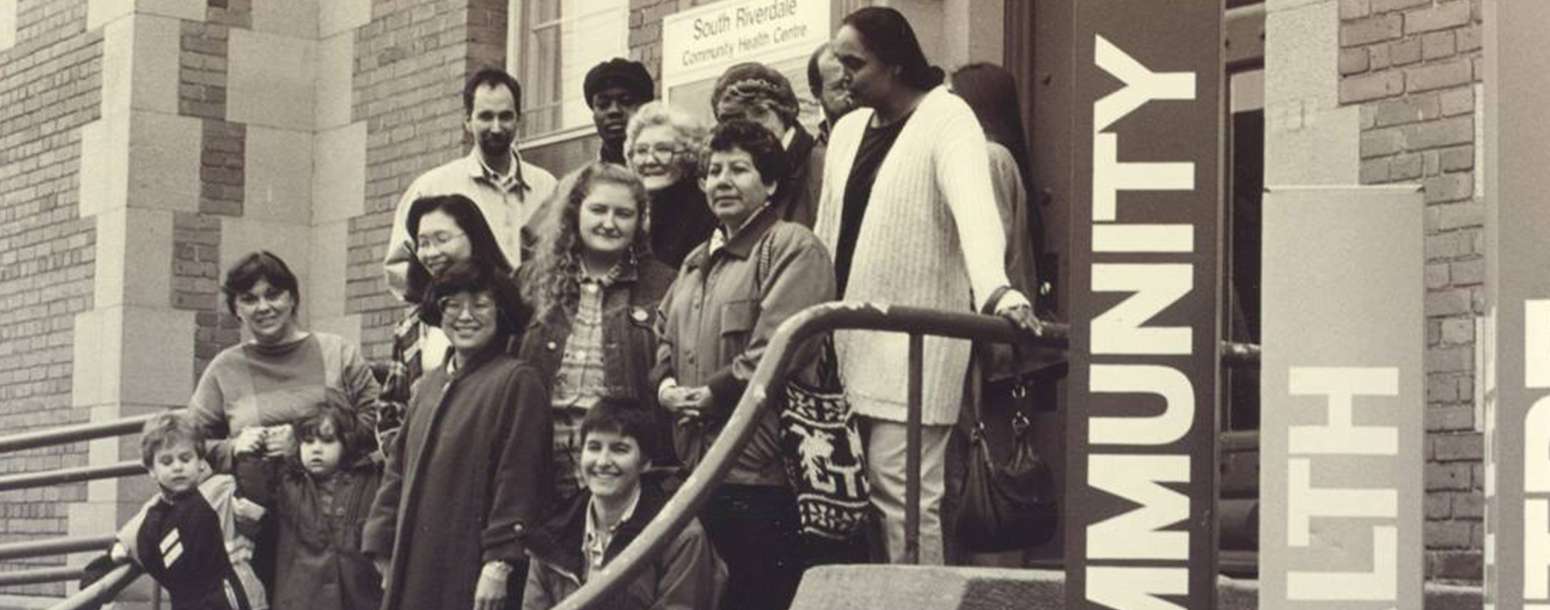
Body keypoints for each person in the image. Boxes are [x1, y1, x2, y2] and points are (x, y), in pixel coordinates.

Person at [815, 6, 1043, 566]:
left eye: (853, 63)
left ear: (895, 63)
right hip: (845, 344)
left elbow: (976, 214)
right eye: (837, 62)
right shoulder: (845, 132)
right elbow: (827, 233)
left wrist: (998, 291)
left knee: (905, 499)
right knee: (852, 502)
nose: (841, 75)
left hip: (913, 350)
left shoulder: (948, 118)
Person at [653, 119, 835, 610]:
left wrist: (712, 393)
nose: (722, 181)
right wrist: (666, 384)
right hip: (698, 466)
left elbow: (782, 345)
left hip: (762, 471)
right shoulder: (695, 263)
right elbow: (662, 337)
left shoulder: (794, 247)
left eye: (739, 169)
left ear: (771, 183)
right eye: (713, 171)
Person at [363, 260, 553, 610]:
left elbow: (520, 477)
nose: (466, 316)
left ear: (501, 313)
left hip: (472, 570)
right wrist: (382, 544)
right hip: (413, 564)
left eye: (480, 304)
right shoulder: (430, 384)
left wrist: (499, 563)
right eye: (452, 304)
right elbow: (397, 470)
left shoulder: (517, 381)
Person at [188, 251, 380, 591]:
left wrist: (305, 442)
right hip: (265, 527)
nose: (263, 307)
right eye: (249, 299)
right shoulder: (224, 367)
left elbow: (378, 422)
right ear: (236, 309)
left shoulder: (337, 351)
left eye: (273, 294)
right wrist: (231, 449)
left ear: (292, 297)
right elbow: (190, 442)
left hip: (338, 518)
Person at [519, 163, 677, 501]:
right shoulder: (532, 282)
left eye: (623, 213)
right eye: (598, 210)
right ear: (576, 212)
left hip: (622, 469)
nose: (609, 223)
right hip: (539, 469)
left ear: (638, 222)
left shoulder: (664, 286)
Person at [520, 398, 726, 610]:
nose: (602, 462)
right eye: (594, 447)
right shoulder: (552, 534)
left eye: (619, 449)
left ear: (645, 463)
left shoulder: (680, 536)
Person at [383, 68, 559, 299]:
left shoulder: (547, 187)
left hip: (530, 325)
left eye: (505, 116)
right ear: (468, 121)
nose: (496, 127)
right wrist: (445, 305)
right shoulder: (432, 187)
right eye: (486, 116)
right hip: (461, 325)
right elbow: (399, 269)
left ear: (519, 120)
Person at [378, 194, 528, 454]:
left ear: (473, 236)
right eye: (423, 243)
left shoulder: (510, 307)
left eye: (442, 239)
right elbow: (391, 408)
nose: (431, 252)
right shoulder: (412, 325)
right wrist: (403, 459)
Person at [238, 392, 383, 610]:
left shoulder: (366, 479)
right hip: (302, 598)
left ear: (346, 443)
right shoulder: (289, 482)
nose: (316, 448)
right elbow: (256, 494)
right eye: (308, 441)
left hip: (356, 597)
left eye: (327, 441)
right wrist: (248, 456)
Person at [111, 412, 268, 610]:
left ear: (200, 461)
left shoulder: (221, 490)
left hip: (237, 598)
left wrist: (249, 458)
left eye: (185, 459)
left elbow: (254, 511)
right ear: (151, 469)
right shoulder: (156, 510)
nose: (178, 467)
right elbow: (131, 534)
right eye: (167, 462)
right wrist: (117, 550)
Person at [712, 62, 825, 228]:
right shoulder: (723, 178)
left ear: (785, 113)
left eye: (759, 112)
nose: (749, 124)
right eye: (735, 118)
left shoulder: (823, 167)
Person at [624, 101, 717, 269]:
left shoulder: (707, 211)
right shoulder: (634, 212)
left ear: (690, 155)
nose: (650, 161)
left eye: (663, 150)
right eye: (641, 151)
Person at [584, 59, 655, 166]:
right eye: (603, 104)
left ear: (646, 110)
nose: (614, 111)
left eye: (626, 101)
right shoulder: (585, 181)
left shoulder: (675, 172)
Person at [805, 43, 857, 145]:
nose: (850, 93)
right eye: (840, 87)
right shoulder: (814, 157)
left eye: (851, 83)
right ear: (816, 93)